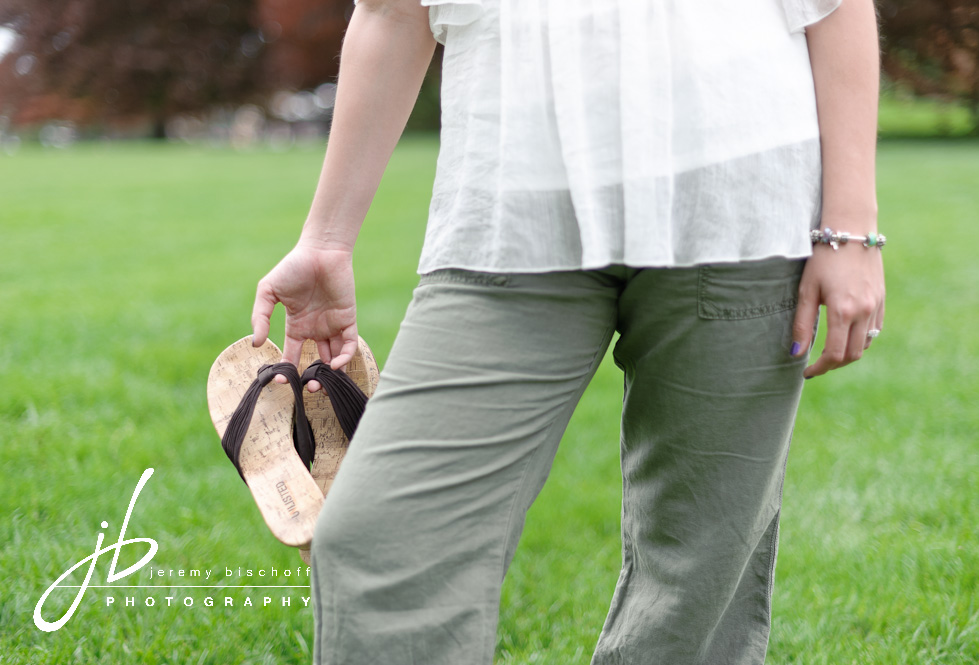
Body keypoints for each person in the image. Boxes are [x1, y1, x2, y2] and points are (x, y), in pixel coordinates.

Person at [250, 0, 885, 662]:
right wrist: (326, 240)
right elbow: (392, 11)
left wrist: (851, 226)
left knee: (695, 583)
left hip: (734, 205)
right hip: (508, 215)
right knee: (381, 540)